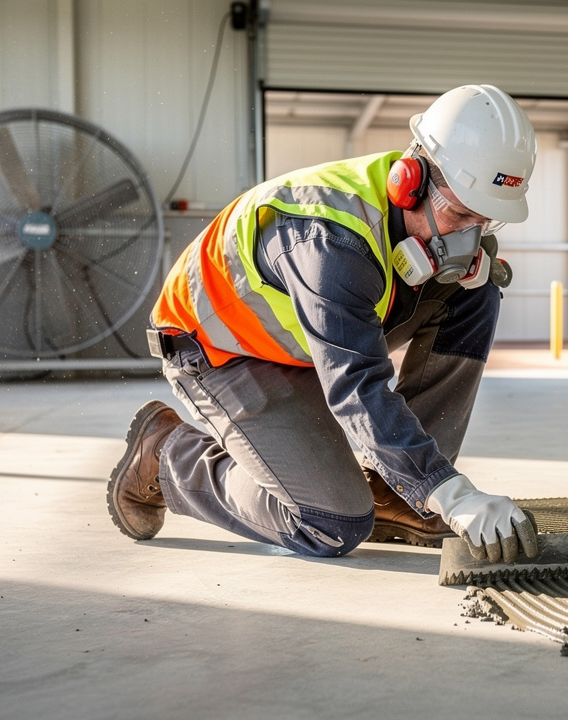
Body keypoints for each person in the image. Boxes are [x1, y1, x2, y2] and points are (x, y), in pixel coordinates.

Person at [107, 84, 540, 565]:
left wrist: (424, 481)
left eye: (484, 222)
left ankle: (399, 489)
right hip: (220, 348)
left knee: (474, 291)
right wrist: (453, 495)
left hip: (305, 337)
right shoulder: (330, 241)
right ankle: (167, 455)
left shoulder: (414, 219)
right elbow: (356, 385)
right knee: (332, 525)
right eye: (459, 214)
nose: (468, 238)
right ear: (409, 181)